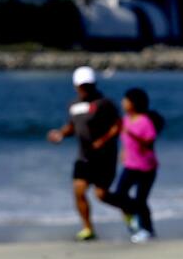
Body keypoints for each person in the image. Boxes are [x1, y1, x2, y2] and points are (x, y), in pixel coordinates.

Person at [47, 66, 121, 241]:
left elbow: (117, 125)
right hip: (84, 156)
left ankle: (128, 208)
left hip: (104, 157)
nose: (84, 89)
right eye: (81, 86)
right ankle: (88, 228)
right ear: (75, 86)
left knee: (101, 195)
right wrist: (60, 134)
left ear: (94, 84)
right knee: (78, 190)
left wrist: (102, 141)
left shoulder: (105, 103)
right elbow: (72, 126)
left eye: (88, 85)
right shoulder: (73, 105)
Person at [102, 87, 161, 243]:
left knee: (141, 200)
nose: (123, 103)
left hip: (147, 167)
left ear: (133, 103)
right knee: (120, 195)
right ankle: (135, 222)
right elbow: (124, 139)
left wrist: (133, 135)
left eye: (126, 100)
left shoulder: (145, 121)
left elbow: (149, 142)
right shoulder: (126, 119)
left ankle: (147, 230)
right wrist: (123, 152)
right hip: (130, 165)